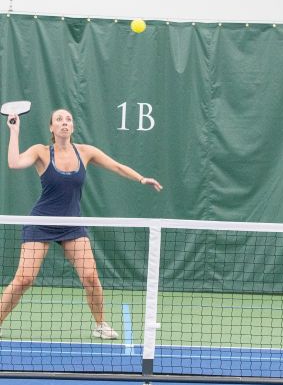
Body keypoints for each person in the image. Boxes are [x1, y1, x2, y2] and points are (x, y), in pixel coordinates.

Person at [1, 108, 163, 339]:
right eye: (59, 119)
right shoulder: (41, 152)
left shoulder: (86, 152)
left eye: (68, 119)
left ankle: (100, 325)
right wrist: (14, 131)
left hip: (72, 225)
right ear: (51, 127)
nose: (64, 123)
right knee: (24, 279)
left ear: (73, 127)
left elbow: (116, 166)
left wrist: (141, 178)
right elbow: (14, 163)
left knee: (90, 277)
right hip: (40, 222)